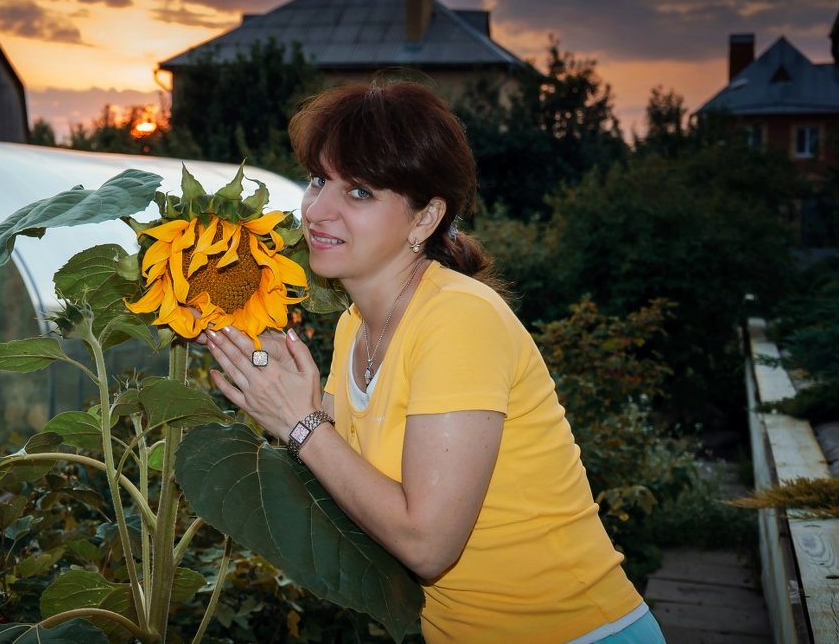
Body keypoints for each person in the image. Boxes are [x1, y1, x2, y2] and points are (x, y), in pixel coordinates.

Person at [203, 81, 666, 643]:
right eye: (319, 180)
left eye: (360, 192)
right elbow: (344, 472)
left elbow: (428, 544)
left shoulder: (459, 319)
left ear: (425, 219)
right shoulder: (356, 326)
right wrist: (274, 384)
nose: (317, 210)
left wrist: (298, 424)